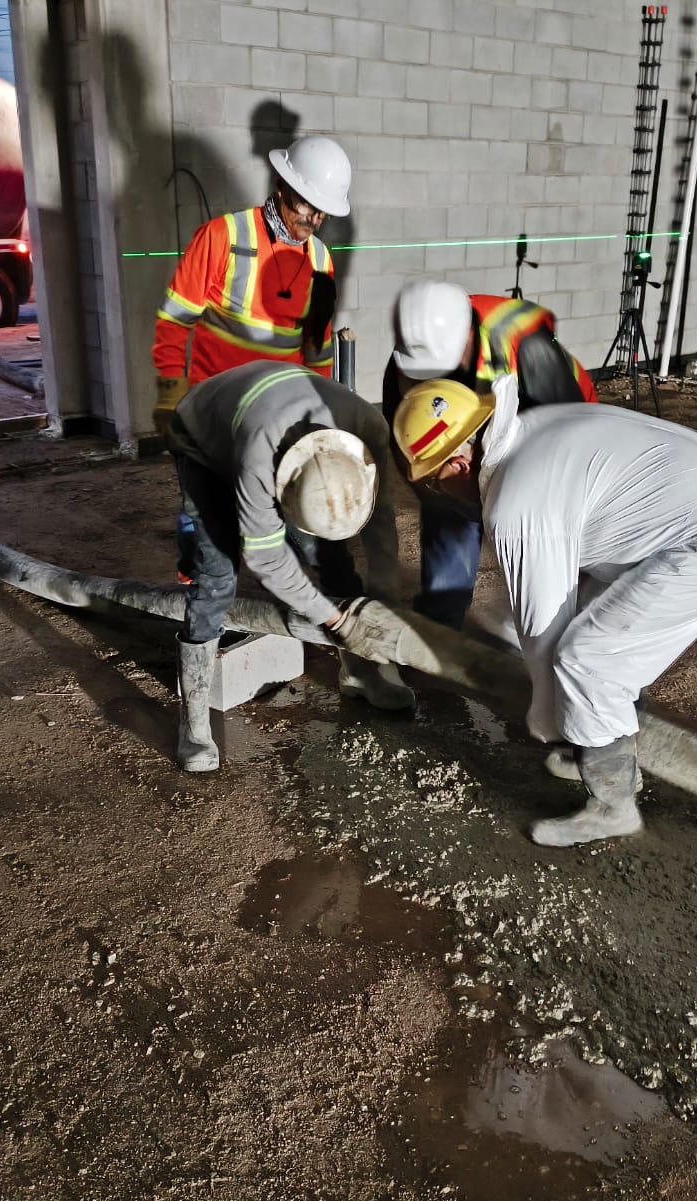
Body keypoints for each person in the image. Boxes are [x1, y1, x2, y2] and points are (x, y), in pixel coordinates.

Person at [391, 376, 697, 848]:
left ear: (459, 461)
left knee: (589, 659)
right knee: (597, 636)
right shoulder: (529, 429)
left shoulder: (516, 504)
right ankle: (602, 745)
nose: (440, 491)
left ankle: (613, 805)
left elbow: (542, 631)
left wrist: (549, 721)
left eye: (435, 479)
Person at [167, 360, 414, 772]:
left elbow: (383, 528)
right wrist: (336, 620)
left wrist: (384, 602)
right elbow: (266, 560)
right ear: (284, 494)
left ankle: (358, 675)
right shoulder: (256, 461)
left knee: (331, 556)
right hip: (201, 436)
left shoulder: (367, 428)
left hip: (267, 409)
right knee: (216, 574)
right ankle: (193, 724)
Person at [383, 279, 598, 628]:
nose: (437, 378)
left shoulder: (526, 348)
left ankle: (560, 631)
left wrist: (506, 505)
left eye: (444, 367)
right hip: (480, 436)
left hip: (550, 423)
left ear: (468, 334)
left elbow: (566, 437)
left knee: (544, 543)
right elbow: (407, 445)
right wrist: (444, 490)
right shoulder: (411, 353)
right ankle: (442, 630)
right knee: (447, 519)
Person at [153, 134, 351, 436]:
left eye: (323, 212)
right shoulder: (222, 237)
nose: (314, 220)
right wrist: (171, 387)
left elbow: (317, 348)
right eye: (308, 207)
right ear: (282, 187)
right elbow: (175, 319)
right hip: (217, 405)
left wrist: (317, 406)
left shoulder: (321, 261)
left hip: (282, 410)